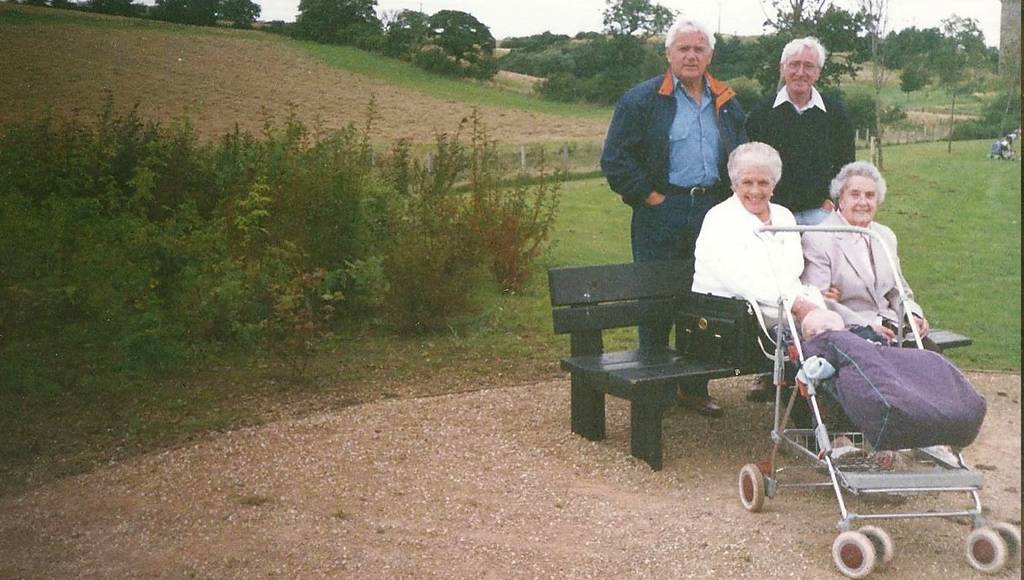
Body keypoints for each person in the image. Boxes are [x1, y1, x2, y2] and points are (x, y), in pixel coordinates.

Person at [601, 17, 747, 417]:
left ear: (710, 55)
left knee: (704, 300)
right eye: (683, 48)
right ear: (668, 54)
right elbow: (615, 159)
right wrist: (651, 197)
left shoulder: (727, 101)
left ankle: (693, 389)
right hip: (662, 211)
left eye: (699, 49)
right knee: (656, 301)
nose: (691, 55)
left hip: (712, 212)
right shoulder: (641, 100)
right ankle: (655, 389)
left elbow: (742, 154)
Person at [801, 161, 940, 351]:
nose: (863, 202)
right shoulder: (818, 238)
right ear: (841, 199)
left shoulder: (885, 235)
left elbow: (897, 290)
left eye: (870, 195)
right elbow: (819, 301)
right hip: (852, 333)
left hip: (894, 328)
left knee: (933, 359)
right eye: (855, 195)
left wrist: (912, 315)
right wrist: (866, 327)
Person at [692, 142, 825, 330]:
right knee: (825, 330)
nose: (755, 191)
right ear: (734, 185)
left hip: (780, 309)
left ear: (774, 185)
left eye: (763, 183)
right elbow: (741, 281)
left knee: (830, 326)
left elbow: (793, 269)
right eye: (747, 182)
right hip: (730, 319)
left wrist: (801, 304)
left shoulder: (784, 216)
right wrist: (796, 304)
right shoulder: (719, 218)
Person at [745, 37, 855, 226]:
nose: (800, 72)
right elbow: (749, 166)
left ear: (818, 72)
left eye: (809, 66)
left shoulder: (836, 114)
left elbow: (846, 166)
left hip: (821, 214)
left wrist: (833, 202)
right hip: (773, 214)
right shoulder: (761, 113)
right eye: (794, 65)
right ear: (782, 69)